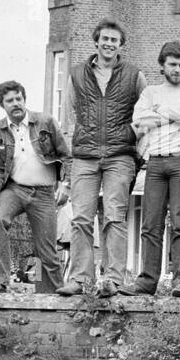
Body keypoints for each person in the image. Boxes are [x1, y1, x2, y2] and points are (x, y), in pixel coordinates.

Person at [59, 19, 148, 297]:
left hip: (120, 156)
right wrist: (69, 158)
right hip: (84, 157)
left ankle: (113, 280)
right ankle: (80, 280)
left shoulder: (135, 75)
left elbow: (145, 115)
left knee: (114, 217)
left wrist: (132, 138)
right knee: (81, 218)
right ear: (96, 41)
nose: (109, 44)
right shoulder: (76, 75)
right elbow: (68, 119)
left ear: (121, 44)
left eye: (114, 40)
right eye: (105, 39)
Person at [122, 42, 180, 296]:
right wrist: (171, 116)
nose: (177, 69)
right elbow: (139, 120)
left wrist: (159, 115)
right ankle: (146, 281)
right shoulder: (150, 92)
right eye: (172, 64)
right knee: (150, 224)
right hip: (155, 162)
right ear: (162, 65)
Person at [0, 81, 70, 295]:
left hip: (43, 192)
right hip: (14, 189)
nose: (15, 104)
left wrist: (65, 184)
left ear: (24, 99)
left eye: (18, 99)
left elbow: (66, 155)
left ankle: (50, 296)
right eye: (9, 101)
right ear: (2, 105)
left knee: (46, 250)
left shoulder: (46, 121)